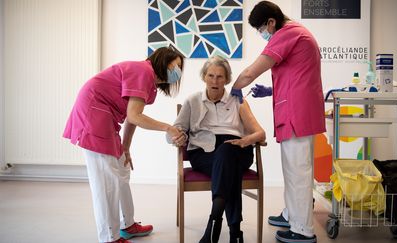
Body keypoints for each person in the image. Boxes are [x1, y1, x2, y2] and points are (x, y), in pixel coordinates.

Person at [63, 47, 187, 243]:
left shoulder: (148, 80)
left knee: (121, 171)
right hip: (93, 114)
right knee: (106, 182)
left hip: (106, 117)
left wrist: (126, 147)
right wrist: (168, 128)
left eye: (181, 67)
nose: (178, 71)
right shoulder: (144, 72)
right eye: (176, 65)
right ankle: (109, 237)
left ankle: (127, 224)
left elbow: (132, 117)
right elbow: (134, 116)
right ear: (163, 61)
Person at [230, 1, 325, 243]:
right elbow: (297, 77)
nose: (263, 35)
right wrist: (271, 91)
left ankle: (303, 229)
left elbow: (252, 71)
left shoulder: (287, 33)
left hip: (297, 114)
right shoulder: (298, 34)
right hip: (297, 110)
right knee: (293, 169)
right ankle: (290, 214)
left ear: (271, 22)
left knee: (298, 172)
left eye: (262, 29)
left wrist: (234, 88)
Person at [169, 56, 265, 243]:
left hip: (238, 149)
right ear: (204, 76)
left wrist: (246, 140)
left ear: (227, 79)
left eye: (220, 76)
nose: (215, 81)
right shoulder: (192, 101)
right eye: (211, 75)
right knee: (228, 163)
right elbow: (174, 131)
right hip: (204, 153)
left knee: (226, 153)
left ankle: (214, 223)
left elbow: (260, 133)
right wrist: (176, 136)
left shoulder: (238, 101)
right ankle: (235, 233)